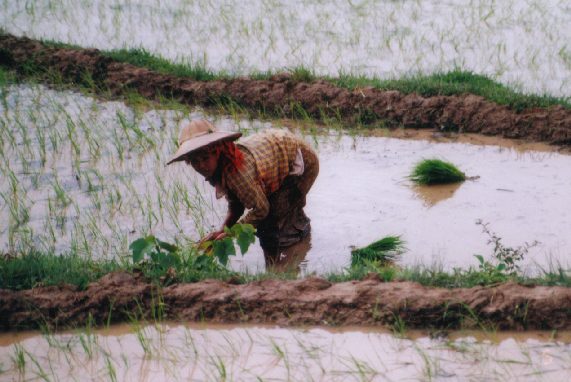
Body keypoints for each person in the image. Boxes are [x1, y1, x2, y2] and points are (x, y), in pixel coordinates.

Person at [167, 119, 319, 267]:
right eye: (195, 162)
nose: (201, 166)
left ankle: (276, 269)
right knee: (276, 217)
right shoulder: (221, 168)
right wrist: (222, 231)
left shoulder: (237, 172)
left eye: (205, 158)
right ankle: (289, 248)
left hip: (301, 161)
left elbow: (261, 210)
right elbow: (236, 205)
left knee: (271, 223)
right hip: (277, 154)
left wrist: (231, 233)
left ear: (217, 152)